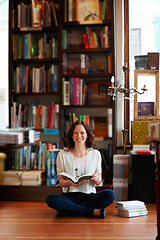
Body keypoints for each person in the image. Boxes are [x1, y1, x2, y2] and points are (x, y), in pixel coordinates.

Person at [46, 120, 115, 218]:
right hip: (69, 196)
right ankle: (90, 211)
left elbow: (99, 181)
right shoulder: (63, 154)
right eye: (75, 133)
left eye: (82, 133)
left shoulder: (95, 154)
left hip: (90, 196)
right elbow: (61, 181)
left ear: (87, 135)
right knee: (50, 199)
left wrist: (96, 179)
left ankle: (69, 210)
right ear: (71, 135)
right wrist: (70, 183)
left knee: (110, 194)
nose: (79, 136)